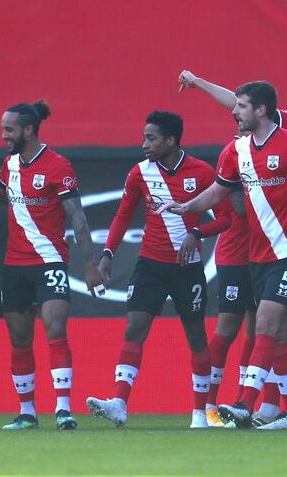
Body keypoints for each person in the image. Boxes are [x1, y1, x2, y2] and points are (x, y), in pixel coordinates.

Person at [161, 81, 287, 430]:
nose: (235, 111)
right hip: (257, 255)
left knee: (264, 322)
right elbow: (219, 190)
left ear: (261, 110)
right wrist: (187, 205)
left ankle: (245, 403)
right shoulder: (236, 151)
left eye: (242, 106)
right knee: (277, 334)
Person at [85, 111, 229, 429]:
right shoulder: (139, 173)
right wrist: (107, 253)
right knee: (135, 327)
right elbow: (123, 216)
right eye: (143, 138)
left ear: (171, 140)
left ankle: (199, 414)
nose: (144, 144)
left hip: (187, 269)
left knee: (195, 336)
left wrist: (197, 233)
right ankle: (119, 404)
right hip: (149, 264)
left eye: (151, 138)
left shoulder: (202, 172)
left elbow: (226, 217)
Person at [0, 100, 104, 430]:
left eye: (8, 129)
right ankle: (27, 412)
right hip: (14, 265)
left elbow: (78, 218)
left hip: (50, 262)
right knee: (19, 340)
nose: (3, 135)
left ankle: (62, 409)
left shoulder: (58, 166)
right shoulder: (9, 165)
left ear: (28, 130)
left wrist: (89, 264)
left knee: (56, 329)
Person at [205, 147, 257, 428]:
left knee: (256, 330)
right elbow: (239, 207)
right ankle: (208, 405)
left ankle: (240, 404)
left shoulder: (266, 157)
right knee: (226, 329)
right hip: (235, 256)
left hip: (264, 256)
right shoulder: (234, 160)